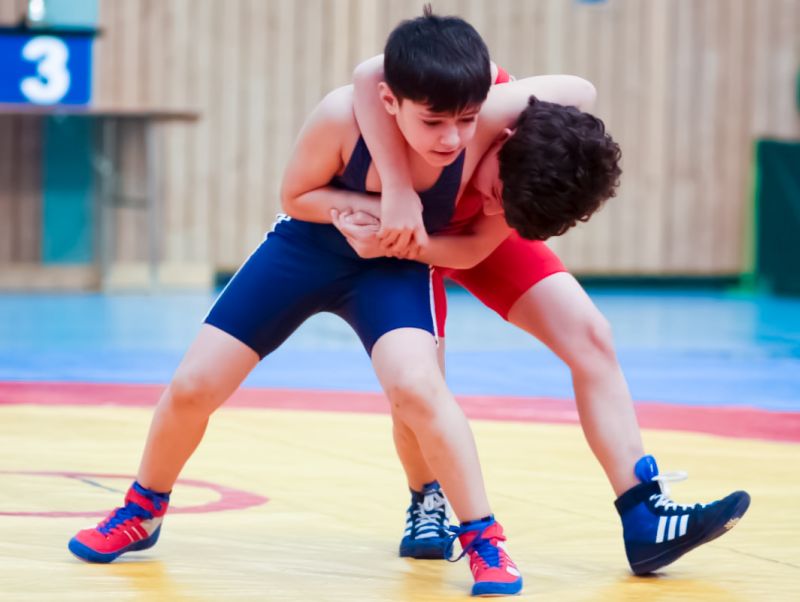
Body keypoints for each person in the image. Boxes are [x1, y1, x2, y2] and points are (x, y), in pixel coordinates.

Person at [66, 11, 596, 597]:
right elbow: (295, 196)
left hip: (395, 264)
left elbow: (567, 102)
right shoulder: (341, 117)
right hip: (309, 247)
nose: (451, 138)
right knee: (193, 385)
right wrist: (368, 207)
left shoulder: (477, 136)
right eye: (435, 121)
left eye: (466, 120)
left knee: (417, 389)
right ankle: (143, 510)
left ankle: (484, 539)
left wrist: (408, 231)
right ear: (391, 103)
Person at [324, 50, 752, 576]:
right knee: (420, 381)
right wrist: (395, 187)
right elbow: (371, 74)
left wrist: (491, 209)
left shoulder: (508, 189)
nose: (494, 204)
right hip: (395, 228)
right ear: (504, 138)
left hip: (446, 239)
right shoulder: (482, 106)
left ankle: (644, 513)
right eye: (499, 191)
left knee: (590, 335)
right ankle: (425, 498)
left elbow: (476, 244)